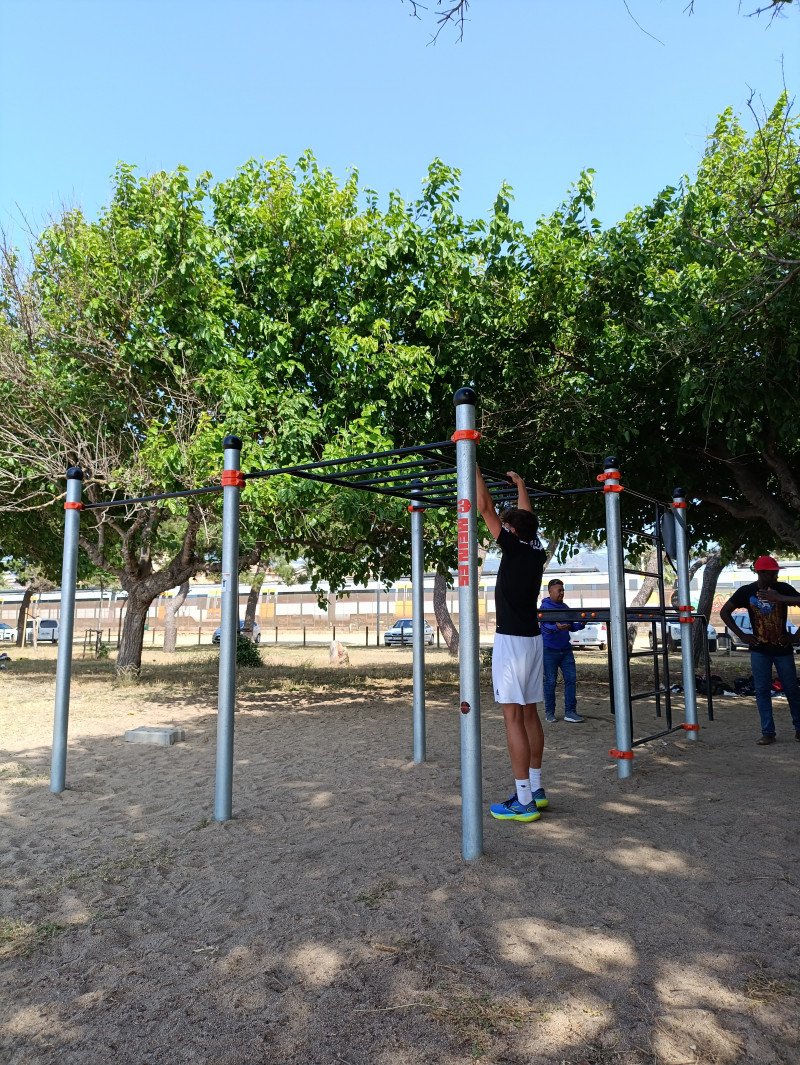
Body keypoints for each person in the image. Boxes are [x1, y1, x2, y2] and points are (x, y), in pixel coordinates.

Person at [476, 465, 548, 823]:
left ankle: (523, 801)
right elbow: (526, 517)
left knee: (512, 719)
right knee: (529, 713)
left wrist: (471, 463)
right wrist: (520, 484)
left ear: (511, 530)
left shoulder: (514, 546)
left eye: (506, 526)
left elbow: (485, 507)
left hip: (512, 642)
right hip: (533, 640)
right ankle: (535, 788)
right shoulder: (534, 548)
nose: (500, 529)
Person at [719, 555, 800, 745]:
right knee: (762, 691)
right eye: (772, 573)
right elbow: (724, 612)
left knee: (791, 689)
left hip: (783, 649)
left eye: (776, 572)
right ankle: (768, 732)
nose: (776, 576)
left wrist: (795, 636)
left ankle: (799, 729)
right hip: (759, 650)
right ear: (761, 573)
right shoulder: (747, 591)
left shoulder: (783, 589)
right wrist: (742, 635)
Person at [540, 578, 585, 723]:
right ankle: (550, 713)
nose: (562, 593)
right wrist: (556, 627)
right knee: (550, 682)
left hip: (566, 650)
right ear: (550, 591)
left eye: (563, 590)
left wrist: (581, 624)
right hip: (549, 650)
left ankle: (570, 712)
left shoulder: (565, 607)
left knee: (571, 680)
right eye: (559, 590)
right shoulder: (545, 607)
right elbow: (544, 627)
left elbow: (572, 626)